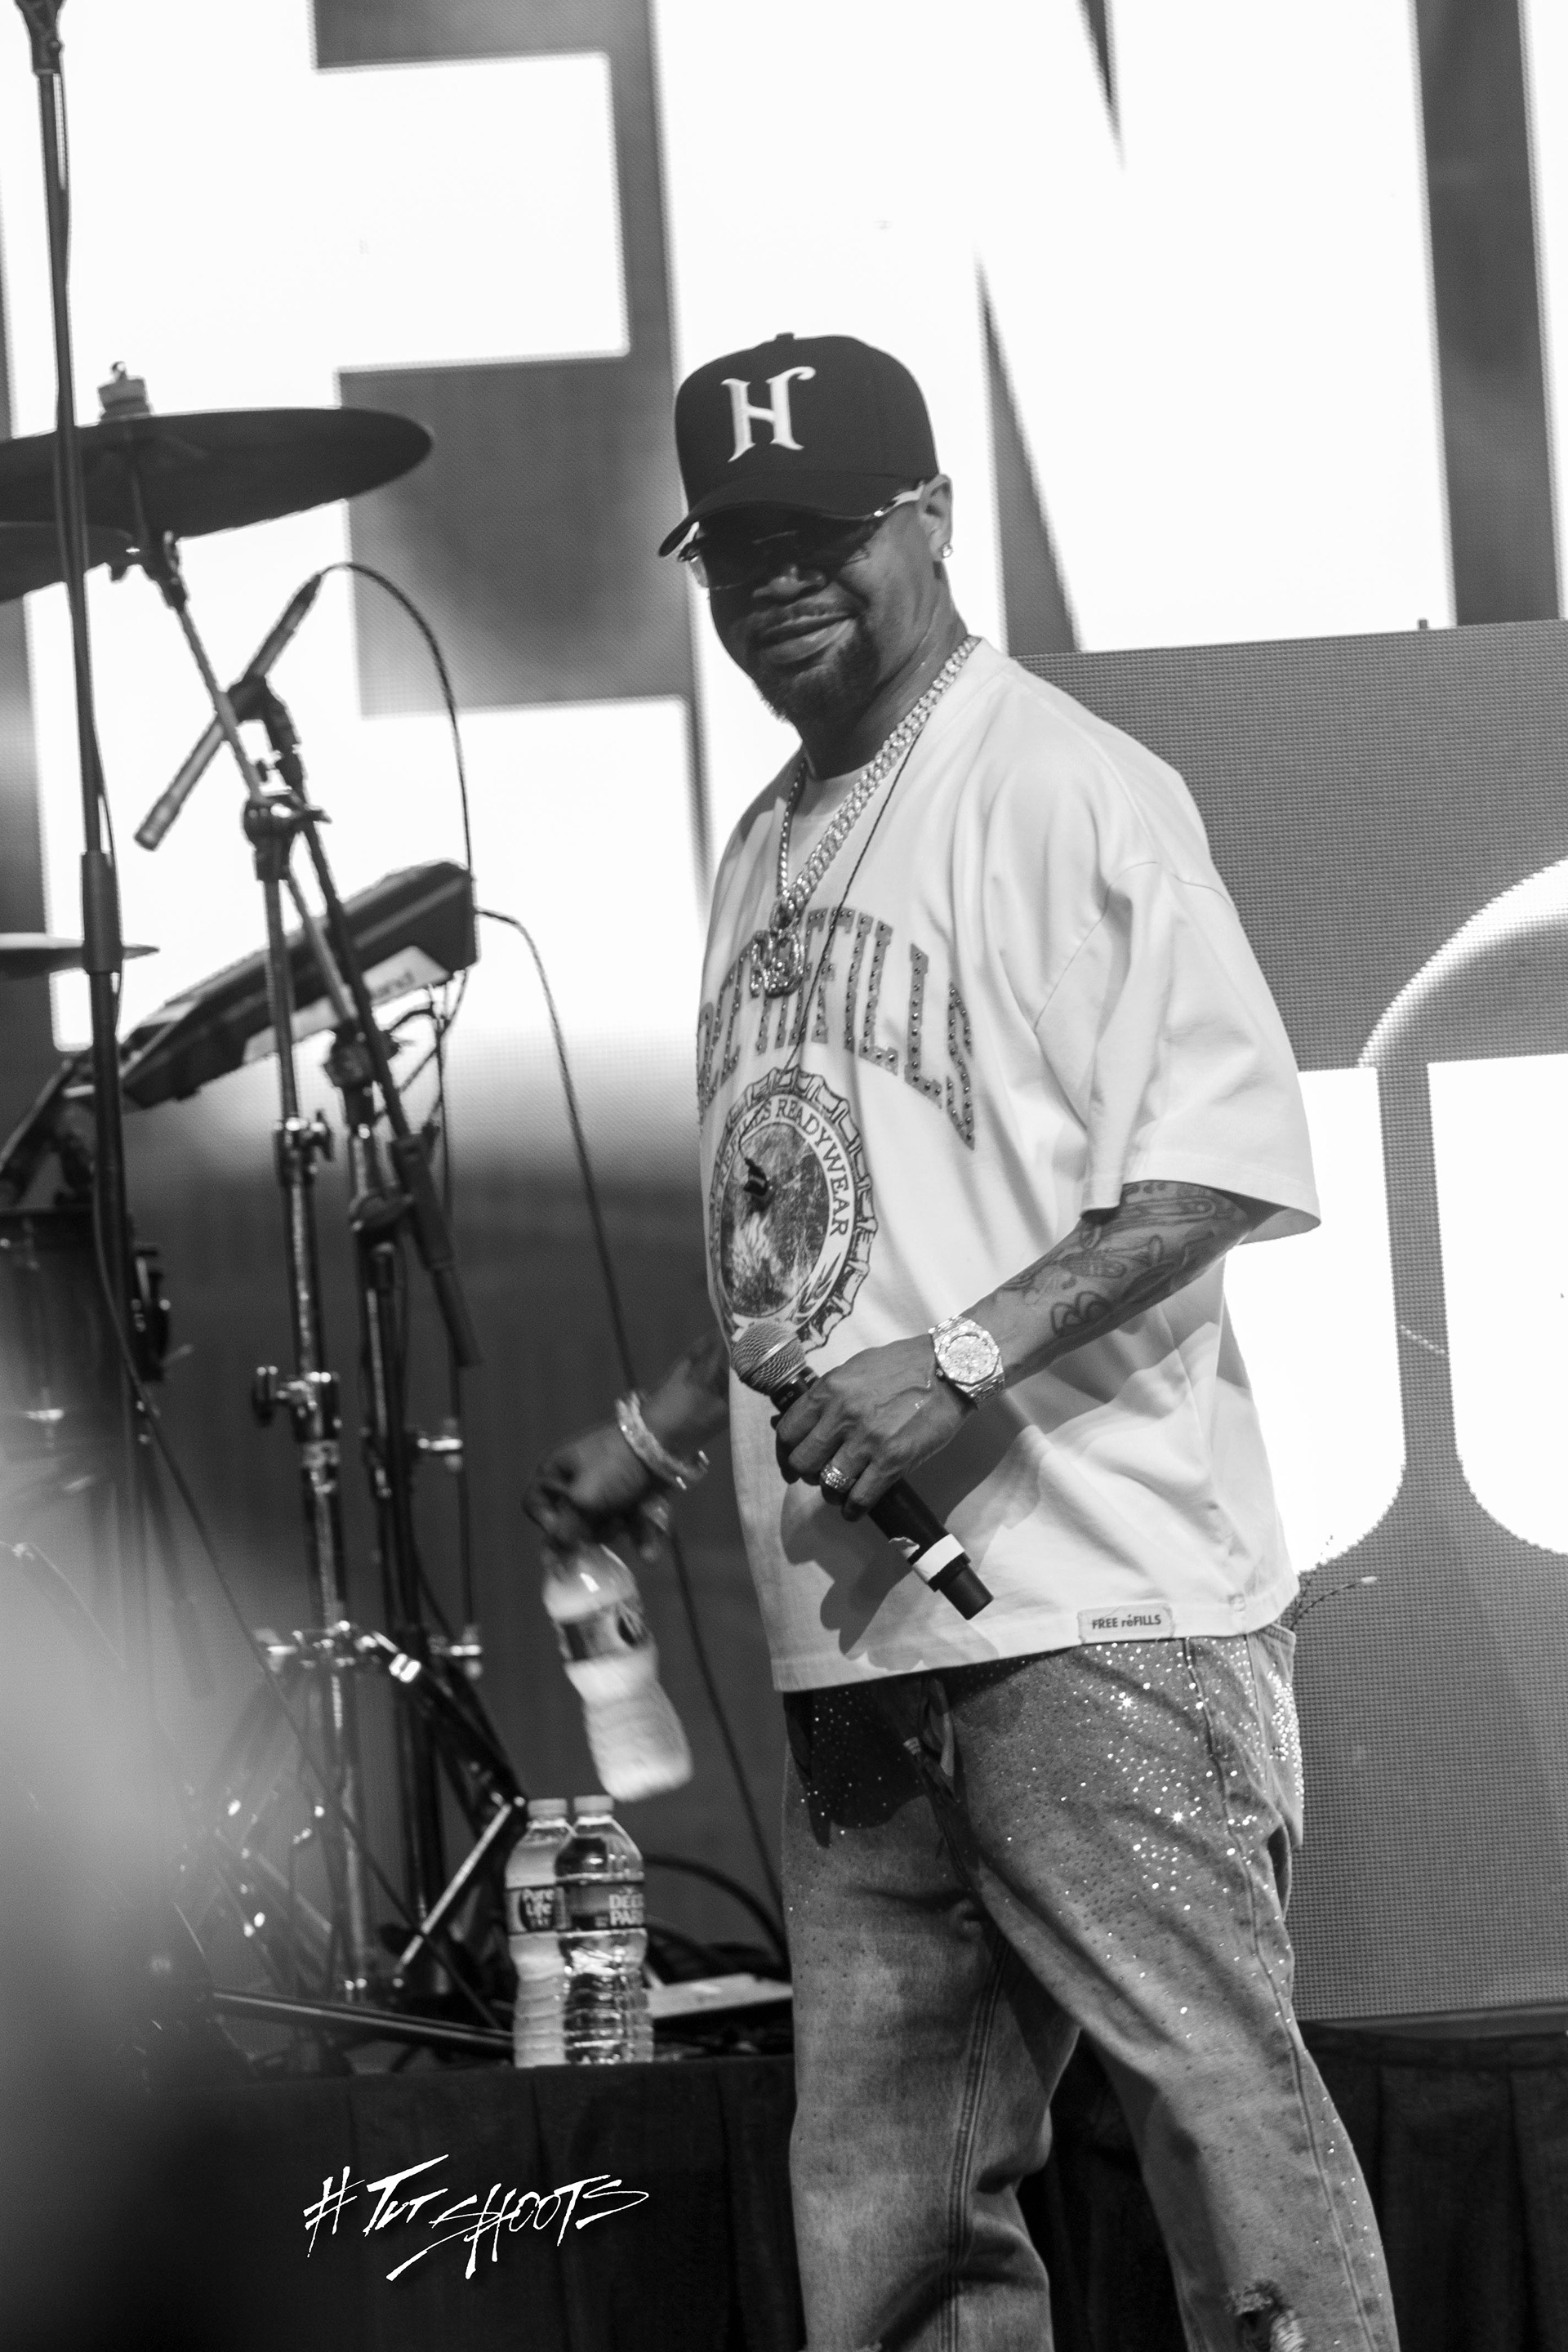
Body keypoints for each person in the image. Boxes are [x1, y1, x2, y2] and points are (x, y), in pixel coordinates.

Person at [526, 332, 1397, 2352]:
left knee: (1226, 2150)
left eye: (820, 533)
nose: (777, 584)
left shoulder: (1065, 785)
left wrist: (966, 1360)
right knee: (895, 2218)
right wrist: (666, 1432)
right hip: (862, 1636)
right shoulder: (767, 838)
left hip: (1090, 1610)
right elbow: (807, 1229)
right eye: (735, 549)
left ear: (928, 517)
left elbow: (1219, 1161)